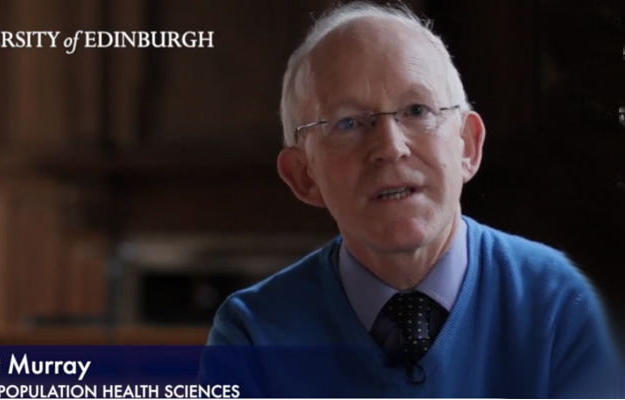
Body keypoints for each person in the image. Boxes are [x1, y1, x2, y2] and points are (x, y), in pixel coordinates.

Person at [200, 2, 623, 398]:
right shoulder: (252, 334)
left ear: (468, 146)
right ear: (304, 175)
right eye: (349, 123)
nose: (390, 147)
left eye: (418, 111)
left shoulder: (566, 303)